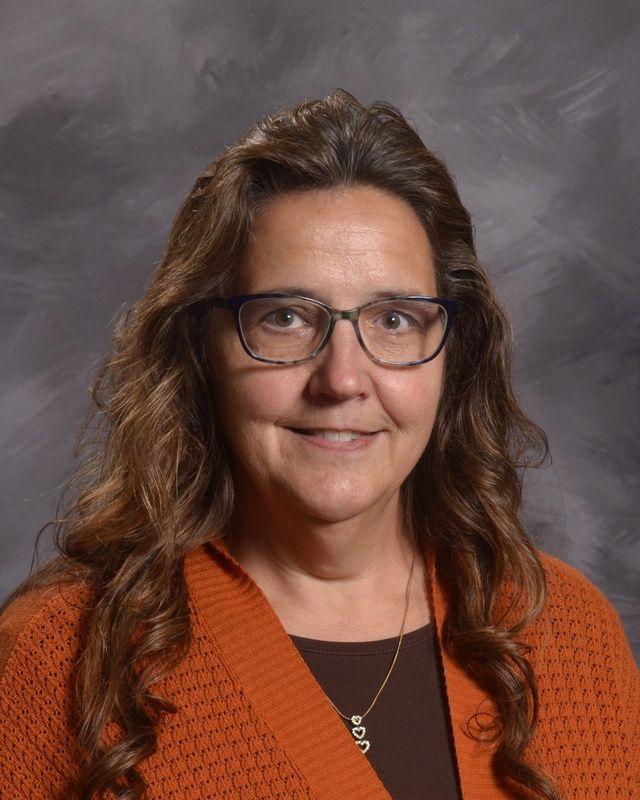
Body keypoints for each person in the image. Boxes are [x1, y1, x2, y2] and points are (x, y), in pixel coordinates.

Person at [0, 89, 637, 800]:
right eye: (286, 318)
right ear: (201, 349)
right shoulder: (61, 657)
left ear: (451, 354)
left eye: (394, 319)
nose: (342, 379)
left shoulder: (568, 636)